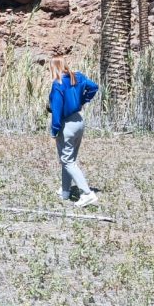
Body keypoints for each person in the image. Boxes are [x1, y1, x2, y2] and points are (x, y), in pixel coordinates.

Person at [48, 57, 100, 207]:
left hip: (67, 125)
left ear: (54, 68)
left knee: (67, 160)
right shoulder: (77, 77)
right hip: (79, 121)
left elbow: (56, 110)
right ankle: (65, 191)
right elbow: (94, 87)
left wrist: (54, 130)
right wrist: (82, 100)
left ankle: (87, 193)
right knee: (68, 158)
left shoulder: (57, 84)